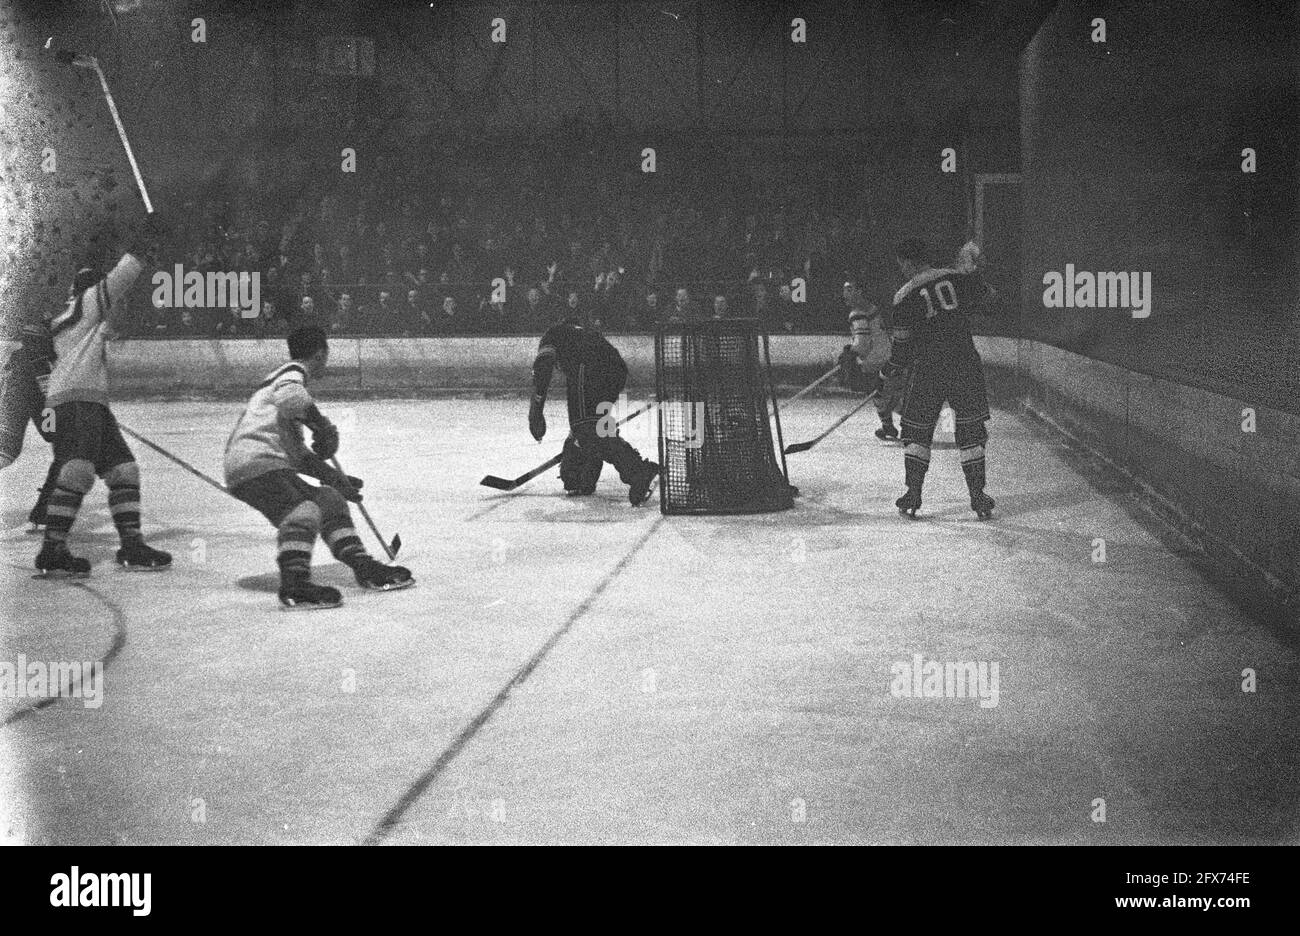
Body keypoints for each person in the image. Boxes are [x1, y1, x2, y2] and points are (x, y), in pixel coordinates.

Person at [223, 326, 413, 610]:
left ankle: (363, 566)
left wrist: (335, 479)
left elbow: (298, 455)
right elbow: (292, 398)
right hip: (255, 464)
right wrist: (322, 425)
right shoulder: (291, 374)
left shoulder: (279, 390)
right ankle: (295, 585)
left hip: (262, 463)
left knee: (329, 500)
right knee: (303, 511)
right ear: (321, 353)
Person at [36, 219, 173, 576]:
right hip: (75, 400)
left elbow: (116, 319)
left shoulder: (83, 323)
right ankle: (53, 548)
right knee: (78, 469)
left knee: (123, 469)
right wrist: (141, 249)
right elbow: (117, 282)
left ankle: (131, 545)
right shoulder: (81, 307)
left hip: (88, 402)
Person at [873, 238, 997, 520]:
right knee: (971, 430)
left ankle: (913, 494)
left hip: (927, 369)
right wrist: (976, 271)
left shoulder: (904, 296)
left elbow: (901, 350)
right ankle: (978, 496)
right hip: (965, 362)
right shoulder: (956, 278)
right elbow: (990, 298)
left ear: (905, 262)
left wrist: (887, 371)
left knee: (917, 432)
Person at [528, 316, 659, 504]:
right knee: (590, 428)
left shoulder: (553, 334)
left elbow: (543, 368)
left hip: (590, 366)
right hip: (616, 370)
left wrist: (535, 413)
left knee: (587, 428)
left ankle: (638, 470)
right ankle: (580, 474)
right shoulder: (581, 335)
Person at [837, 278, 900, 441]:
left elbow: (862, 344)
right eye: (844, 289)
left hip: (874, 361)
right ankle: (888, 427)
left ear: (860, 292)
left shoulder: (857, 313)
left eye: (850, 289)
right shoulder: (871, 307)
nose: (845, 293)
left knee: (884, 395)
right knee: (880, 394)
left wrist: (849, 352)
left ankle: (911, 424)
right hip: (887, 354)